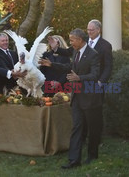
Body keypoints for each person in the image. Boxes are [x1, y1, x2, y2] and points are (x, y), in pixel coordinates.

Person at [39, 28, 102, 169]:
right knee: (76, 128)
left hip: (90, 98)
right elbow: (69, 67)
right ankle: (74, 160)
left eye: (72, 39)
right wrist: (51, 64)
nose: (70, 42)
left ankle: (92, 155)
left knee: (92, 128)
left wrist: (79, 78)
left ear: (80, 40)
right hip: (77, 98)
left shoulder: (93, 55)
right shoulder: (75, 51)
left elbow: (95, 75)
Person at [47, 19, 113, 143]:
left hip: (96, 84)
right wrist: (56, 48)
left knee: (95, 114)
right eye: (87, 30)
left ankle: (96, 140)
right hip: (80, 84)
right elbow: (68, 52)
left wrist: (101, 82)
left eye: (91, 30)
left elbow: (108, 66)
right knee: (81, 113)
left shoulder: (105, 45)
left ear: (99, 30)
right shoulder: (83, 41)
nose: (89, 32)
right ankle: (82, 138)